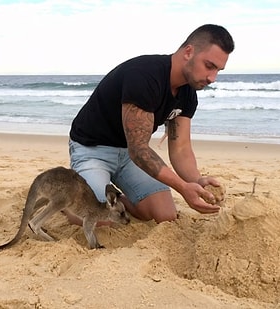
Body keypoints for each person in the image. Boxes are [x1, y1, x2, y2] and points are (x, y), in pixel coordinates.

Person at [67, 24, 235, 223]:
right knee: (96, 218)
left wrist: (195, 181)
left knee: (164, 215)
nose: (212, 78)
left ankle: (114, 195)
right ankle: (65, 198)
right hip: (92, 150)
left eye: (218, 70)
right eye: (209, 66)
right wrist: (182, 187)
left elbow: (181, 149)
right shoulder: (145, 76)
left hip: (129, 157)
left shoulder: (188, 94)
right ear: (189, 52)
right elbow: (139, 150)